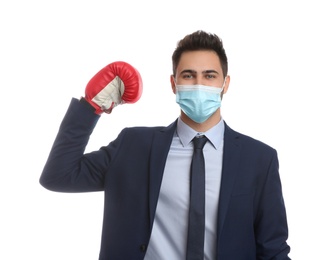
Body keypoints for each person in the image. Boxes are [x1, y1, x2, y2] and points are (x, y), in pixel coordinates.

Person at [40, 30, 291, 259]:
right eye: (188, 75)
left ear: (225, 84)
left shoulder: (259, 159)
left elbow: (273, 250)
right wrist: (91, 107)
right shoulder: (133, 145)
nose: (199, 84)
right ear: (174, 84)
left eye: (210, 76)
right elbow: (58, 175)